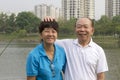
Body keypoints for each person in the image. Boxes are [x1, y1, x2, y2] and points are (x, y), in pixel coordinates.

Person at [44, 17, 108, 80]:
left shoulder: (98, 50)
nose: (82, 30)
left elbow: (100, 76)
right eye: (79, 27)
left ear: (92, 30)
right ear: (75, 29)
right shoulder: (66, 45)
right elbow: (46, 40)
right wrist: (48, 23)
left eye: (85, 27)